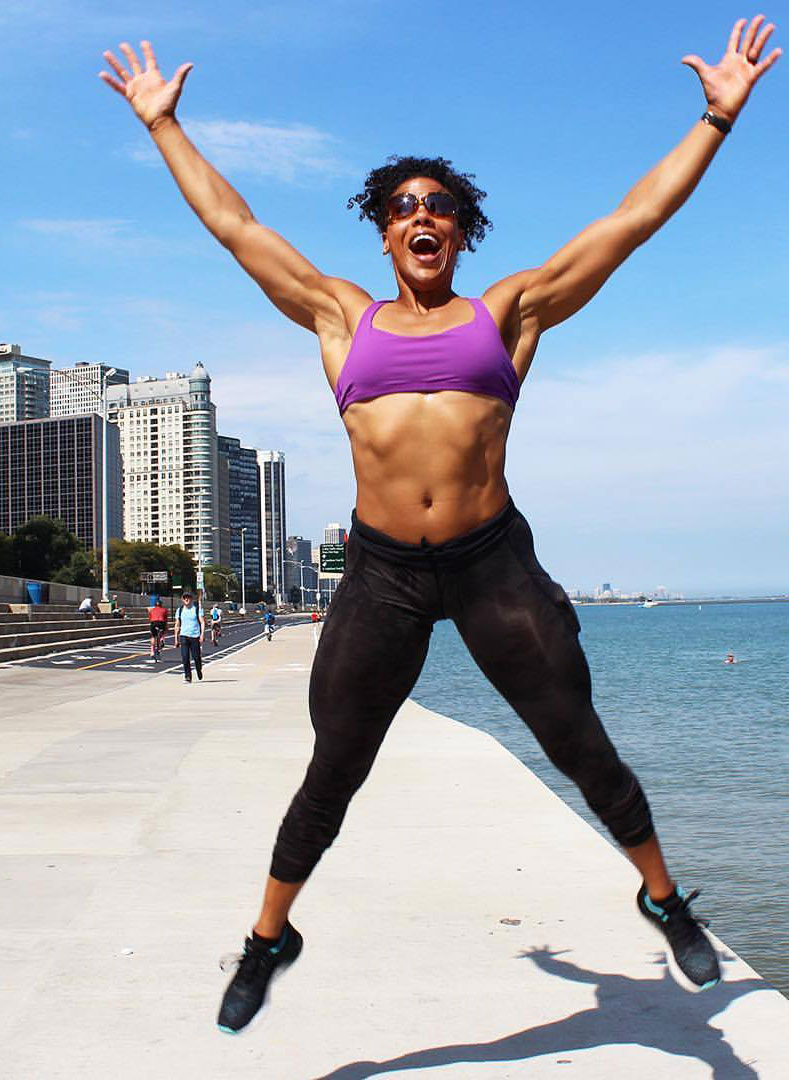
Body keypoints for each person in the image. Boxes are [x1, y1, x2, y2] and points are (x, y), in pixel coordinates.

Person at [100, 16, 781, 1033]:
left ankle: (664, 898)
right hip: (380, 574)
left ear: (461, 232)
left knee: (576, 739)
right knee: (336, 764)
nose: (424, 218)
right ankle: (268, 937)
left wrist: (718, 117)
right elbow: (237, 228)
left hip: (491, 559)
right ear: (383, 228)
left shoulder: (509, 313)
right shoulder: (341, 316)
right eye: (406, 207)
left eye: (443, 209)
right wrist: (164, 129)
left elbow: (631, 221)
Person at [174, 592, 204, 683]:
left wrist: (202, 634)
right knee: (185, 657)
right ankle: (188, 676)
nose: (186, 599)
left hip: (195, 636)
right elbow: (177, 625)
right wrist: (176, 638)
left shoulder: (197, 609)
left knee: (196, 657)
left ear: (191, 599)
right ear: (182, 599)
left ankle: (199, 669)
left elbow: (202, 622)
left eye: (188, 598)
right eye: (185, 598)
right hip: (184, 636)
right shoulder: (180, 610)